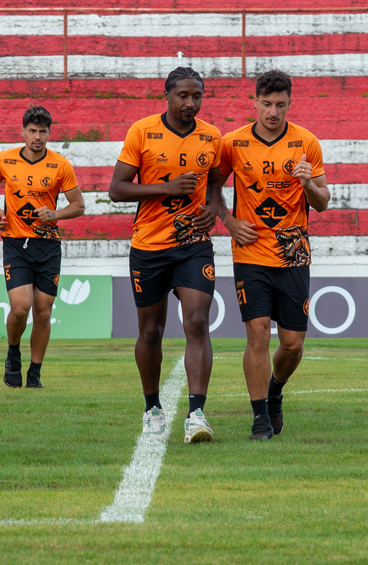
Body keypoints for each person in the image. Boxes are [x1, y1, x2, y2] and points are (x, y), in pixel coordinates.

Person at [108, 67, 224, 443]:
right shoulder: (142, 132)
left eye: (197, 96)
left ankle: (196, 413)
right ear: (167, 95)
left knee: (196, 322)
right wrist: (167, 187)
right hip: (150, 246)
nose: (190, 103)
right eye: (183, 96)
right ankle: (152, 408)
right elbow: (117, 189)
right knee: (152, 331)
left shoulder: (212, 136)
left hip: (193, 245)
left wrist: (212, 208)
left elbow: (216, 184)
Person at [218, 70, 330, 440]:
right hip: (250, 252)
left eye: (280, 105)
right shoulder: (232, 143)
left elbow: (324, 203)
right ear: (255, 102)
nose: (273, 112)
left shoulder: (306, 142)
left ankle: (275, 390)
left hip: (293, 254)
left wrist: (308, 183)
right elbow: (212, 187)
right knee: (257, 334)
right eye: (266, 104)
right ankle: (260, 419)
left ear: (289, 104)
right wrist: (230, 222)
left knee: (293, 345)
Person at [0, 105, 85, 389]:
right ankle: (13, 353)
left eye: (42, 131)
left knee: (43, 311)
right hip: (16, 243)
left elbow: (78, 206)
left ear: (49, 133)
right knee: (21, 308)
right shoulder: (5, 159)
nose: (37, 136)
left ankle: (35, 373)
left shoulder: (60, 164)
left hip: (48, 245)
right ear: (23, 132)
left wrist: (56, 214)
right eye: (32, 131)